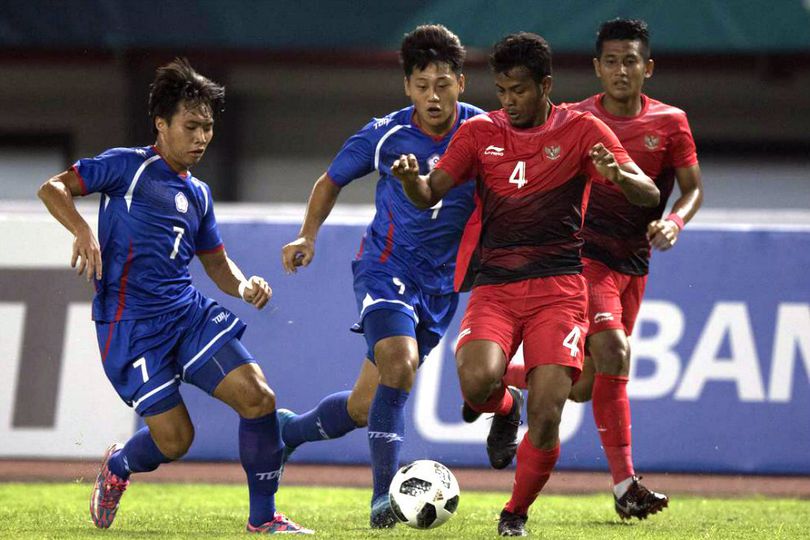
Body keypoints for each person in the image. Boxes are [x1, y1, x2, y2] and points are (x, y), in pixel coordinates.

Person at [391, 32, 659, 536]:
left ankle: (514, 513)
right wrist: (410, 180)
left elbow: (646, 194)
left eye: (519, 90)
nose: (509, 102)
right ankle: (503, 407)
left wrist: (619, 176)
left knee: (551, 414)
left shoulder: (583, 130)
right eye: (502, 91)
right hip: (495, 287)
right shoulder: (478, 134)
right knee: (476, 381)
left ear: (546, 85)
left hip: (559, 291)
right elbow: (429, 193)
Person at [36, 58, 312, 535]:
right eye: (191, 126)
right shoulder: (126, 167)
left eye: (208, 126)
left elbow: (216, 264)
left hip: (187, 315)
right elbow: (53, 187)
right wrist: (82, 229)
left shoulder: (200, 194)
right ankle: (119, 467)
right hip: (131, 328)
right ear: (161, 125)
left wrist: (245, 287)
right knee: (176, 440)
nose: (202, 137)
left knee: (259, 399)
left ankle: (263, 520)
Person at [497, 18, 704, 521]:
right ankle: (625, 486)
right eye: (610, 60)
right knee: (614, 349)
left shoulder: (670, 122)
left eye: (630, 60)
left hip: (634, 262)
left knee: (586, 384)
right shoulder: (576, 119)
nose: (620, 70)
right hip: (583, 261)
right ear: (596, 67)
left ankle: (497, 384)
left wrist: (675, 221)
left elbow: (692, 187)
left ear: (647, 67)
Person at [278, 25, 483, 528]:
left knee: (365, 405)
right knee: (400, 362)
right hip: (385, 269)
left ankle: (288, 434)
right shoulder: (385, 134)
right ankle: (382, 501)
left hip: (440, 286)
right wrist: (307, 235)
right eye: (420, 85)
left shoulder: (485, 132)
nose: (432, 96)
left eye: (442, 83)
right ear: (407, 88)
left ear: (461, 82)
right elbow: (330, 180)